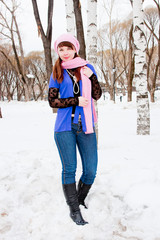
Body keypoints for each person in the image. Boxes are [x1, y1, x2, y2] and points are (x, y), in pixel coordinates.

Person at [48, 33, 102, 226]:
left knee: (90, 170)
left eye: (68, 48)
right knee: (69, 169)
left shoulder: (87, 68)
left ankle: (79, 198)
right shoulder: (57, 72)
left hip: (85, 125)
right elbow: (52, 101)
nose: (64, 53)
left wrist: (92, 77)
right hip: (64, 127)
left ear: (75, 49)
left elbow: (97, 95)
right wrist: (75, 101)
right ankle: (74, 210)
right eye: (61, 49)